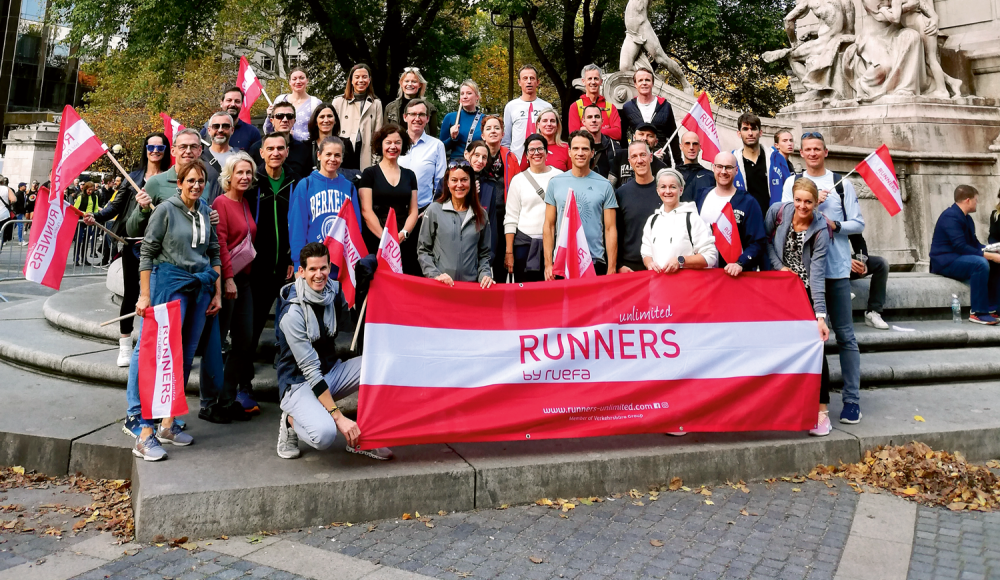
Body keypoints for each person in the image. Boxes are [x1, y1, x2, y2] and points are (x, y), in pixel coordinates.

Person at [132, 159, 221, 460]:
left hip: (199, 289)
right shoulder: (165, 209)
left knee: (183, 358)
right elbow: (147, 251)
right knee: (160, 359)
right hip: (170, 286)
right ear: (180, 182)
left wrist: (217, 292)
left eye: (201, 181)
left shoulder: (206, 211)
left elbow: (213, 252)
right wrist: (145, 295)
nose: (197, 185)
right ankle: (145, 432)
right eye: (191, 180)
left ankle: (167, 425)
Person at [274, 242, 392, 460]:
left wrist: (367, 283)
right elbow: (310, 371)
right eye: (312, 269)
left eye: (323, 268)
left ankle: (363, 437)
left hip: (330, 372)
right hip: (299, 383)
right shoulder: (292, 314)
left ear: (329, 267)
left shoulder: (334, 292)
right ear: (301, 272)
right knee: (325, 434)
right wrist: (339, 418)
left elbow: (352, 324)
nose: (319, 275)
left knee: (382, 364)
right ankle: (290, 420)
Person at [781, 131, 863, 424]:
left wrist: (834, 223)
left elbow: (858, 223)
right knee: (805, 338)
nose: (812, 153)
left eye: (817, 149)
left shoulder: (843, 185)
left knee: (845, 336)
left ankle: (852, 399)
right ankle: (809, 400)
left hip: (836, 269)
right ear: (801, 153)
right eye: (807, 149)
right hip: (801, 274)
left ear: (825, 152)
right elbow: (783, 219)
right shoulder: (792, 183)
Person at [84, 133, 170, 367]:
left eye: (160, 146)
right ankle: (124, 346)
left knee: (159, 295)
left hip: (164, 245)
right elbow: (116, 205)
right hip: (134, 243)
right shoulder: (133, 177)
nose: (155, 150)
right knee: (132, 292)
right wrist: (96, 216)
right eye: (151, 146)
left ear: (166, 149)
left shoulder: (173, 177)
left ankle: (154, 345)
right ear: (145, 149)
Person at [764, 178, 833, 436]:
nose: (803, 206)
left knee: (816, 347)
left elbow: (816, 273)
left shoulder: (821, 229)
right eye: (799, 200)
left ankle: (821, 410)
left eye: (809, 202)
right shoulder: (778, 212)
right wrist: (780, 269)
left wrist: (820, 315)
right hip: (779, 288)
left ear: (816, 203)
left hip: (804, 292)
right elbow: (765, 242)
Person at [245, 132, 300, 414]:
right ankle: (243, 386)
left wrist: (294, 256)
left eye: (281, 148)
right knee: (250, 329)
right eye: (270, 149)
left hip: (288, 267)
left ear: (287, 152)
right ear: (262, 153)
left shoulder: (295, 183)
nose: (276, 153)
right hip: (258, 266)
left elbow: (300, 222)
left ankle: (291, 389)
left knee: (289, 331)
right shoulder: (253, 183)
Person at [214, 153, 258, 420]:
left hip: (245, 280)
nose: (244, 177)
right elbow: (219, 245)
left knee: (244, 341)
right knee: (219, 343)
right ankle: (215, 402)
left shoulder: (244, 202)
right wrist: (227, 279)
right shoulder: (221, 203)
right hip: (228, 282)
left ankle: (228, 398)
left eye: (248, 173)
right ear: (229, 176)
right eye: (240, 172)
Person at [543, 130, 619, 278]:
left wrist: (612, 267)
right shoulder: (555, 183)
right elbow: (549, 226)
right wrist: (548, 264)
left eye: (585, 149)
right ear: (569, 152)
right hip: (562, 262)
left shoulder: (605, 185)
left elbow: (610, 229)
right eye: (576, 148)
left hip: (594, 261)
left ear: (592, 153)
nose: (580, 153)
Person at [128, 130, 223, 236]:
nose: (188, 151)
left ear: (200, 150)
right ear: (173, 151)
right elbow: (132, 231)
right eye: (183, 147)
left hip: (197, 251)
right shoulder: (155, 182)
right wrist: (143, 210)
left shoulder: (205, 184)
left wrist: (210, 217)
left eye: (193, 147)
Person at [289, 136, 361, 273]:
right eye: (328, 154)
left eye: (337, 155)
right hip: (313, 264)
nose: (332, 159)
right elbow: (297, 228)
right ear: (319, 155)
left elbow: (356, 228)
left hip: (342, 262)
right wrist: (299, 264)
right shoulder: (305, 185)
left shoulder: (349, 187)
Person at [931, 184, 1000, 325]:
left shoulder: (966, 218)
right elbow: (960, 246)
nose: (977, 203)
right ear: (967, 200)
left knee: (991, 261)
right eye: (976, 200)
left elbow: (974, 244)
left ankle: (993, 308)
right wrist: (990, 256)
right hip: (945, 262)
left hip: (958, 257)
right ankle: (978, 312)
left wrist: (992, 249)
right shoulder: (950, 216)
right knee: (980, 264)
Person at [417, 163, 494, 287]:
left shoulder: (481, 214)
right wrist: (435, 275)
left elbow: (484, 254)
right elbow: (423, 250)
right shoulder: (434, 210)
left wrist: (485, 274)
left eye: (464, 180)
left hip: (470, 288)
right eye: (454, 180)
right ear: (447, 183)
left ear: (471, 182)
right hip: (441, 286)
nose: (459, 185)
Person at [694, 151, 767, 276]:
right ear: (713, 168)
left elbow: (758, 242)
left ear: (736, 170)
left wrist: (740, 263)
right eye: (719, 166)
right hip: (704, 274)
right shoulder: (701, 195)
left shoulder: (748, 202)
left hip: (733, 275)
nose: (723, 172)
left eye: (728, 167)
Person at [358, 124, 419, 270]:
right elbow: (366, 211)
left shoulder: (410, 175)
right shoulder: (369, 174)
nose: (393, 146)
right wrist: (386, 239)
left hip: (404, 240)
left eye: (397, 142)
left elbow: (414, 211)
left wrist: (403, 234)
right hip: (376, 239)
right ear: (381, 144)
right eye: (388, 142)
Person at [505, 134, 562, 283]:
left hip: (555, 245)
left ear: (546, 152)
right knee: (526, 295)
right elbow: (511, 218)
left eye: (540, 149)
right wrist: (509, 251)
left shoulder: (559, 177)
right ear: (526, 155)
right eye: (531, 150)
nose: (536, 153)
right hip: (524, 246)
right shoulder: (518, 180)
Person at [641, 168, 717, 273]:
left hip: (686, 286)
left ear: (681, 190)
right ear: (658, 191)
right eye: (663, 187)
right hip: (658, 286)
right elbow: (646, 252)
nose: (667, 191)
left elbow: (710, 256)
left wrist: (681, 260)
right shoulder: (652, 220)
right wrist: (649, 263)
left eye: (673, 187)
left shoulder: (692, 219)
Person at [731, 113, 791, 224]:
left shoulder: (777, 158)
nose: (750, 133)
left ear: (760, 132)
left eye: (753, 129)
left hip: (775, 224)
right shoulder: (732, 161)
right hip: (746, 225)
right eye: (745, 129)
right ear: (739, 133)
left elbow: (790, 188)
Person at [616, 141, 662, 272]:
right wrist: (619, 265)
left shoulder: (665, 191)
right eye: (634, 156)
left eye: (643, 155)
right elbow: (615, 232)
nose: (639, 160)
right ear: (630, 161)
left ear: (651, 157)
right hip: (630, 268)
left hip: (660, 266)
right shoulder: (621, 193)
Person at [332, 64, 383, 174]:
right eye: (357, 77)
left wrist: (376, 160)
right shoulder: (338, 102)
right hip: (345, 152)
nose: (361, 80)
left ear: (369, 80)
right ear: (351, 80)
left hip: (366, 152)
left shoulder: (376, 104)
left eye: (364, 77)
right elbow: (333, 132)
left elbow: (378, 134)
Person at [398, 99, 447, 215]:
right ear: (405, 117)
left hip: (424, 210)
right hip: (396, 209)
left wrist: (432, 209)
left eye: (421, 114)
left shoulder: (437, 146)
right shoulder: (395, 143)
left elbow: (441, 183)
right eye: (413, 114)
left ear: (427, 119)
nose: (417, 118)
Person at [247, 101, 312, 178]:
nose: (285, 120)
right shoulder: (257, 148)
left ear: (294, 121)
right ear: (272, 121)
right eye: (279, 116)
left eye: (289, 116)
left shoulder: (303, 149)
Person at [501, 65, 552, 162]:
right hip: (517, 159)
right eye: (525, 78)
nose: (529, 81)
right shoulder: (510, 106)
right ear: (519, 82)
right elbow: (506, 138)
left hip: (542, 159)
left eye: (532, 78)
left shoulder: (547, 107)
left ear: (537, 82)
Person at [264, 68, 323, 143]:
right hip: (281, 147)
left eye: (301, 78)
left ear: (307, 80)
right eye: (294, 79)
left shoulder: (315, 103)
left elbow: (320, 132)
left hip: (306, 149)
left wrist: (295, 135)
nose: (298, 82)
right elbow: (268, 130)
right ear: (289, 82)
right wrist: (269, 116)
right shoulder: (280, 100)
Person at [465, 140, 500, 264]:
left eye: (484, 157)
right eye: (476, 155)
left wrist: (491, 254)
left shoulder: (490, 184)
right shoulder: (450, 180)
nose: (480, 161)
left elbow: (492, 222)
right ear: (466, 155)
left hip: (480, 250)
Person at [566, 65, 622, 142]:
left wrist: (589, 131)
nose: (593, 82)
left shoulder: (610, 107)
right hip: (585, 151)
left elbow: (618, 134)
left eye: (596, 78)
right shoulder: (575, 106)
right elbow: (574, 136)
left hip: (607, 151)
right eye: (589, 79)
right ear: (583, 81)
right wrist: (607, 131)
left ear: (601, 81)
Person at [850, 233, 890, 329]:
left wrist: (864, 264)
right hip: (827, 261)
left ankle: (873, 311)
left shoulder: (847, 219)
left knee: (881, 264)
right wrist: (844, 260)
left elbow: (857, 239)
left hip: (847, 262)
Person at [609, 123, 666, 189]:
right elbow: (610, 185)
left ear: (656, 142)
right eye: (641, 134)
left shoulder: (661, 167)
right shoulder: (620, 156)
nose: (645, 138)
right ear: (634, 137)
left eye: (650, 136)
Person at [384, 67, 439, 136]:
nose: (410, 84)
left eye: (414, 81)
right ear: (401, 83)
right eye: (406, 81)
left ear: (420, 85)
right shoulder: (390, 108)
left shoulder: (430, 108)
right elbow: (385, 134)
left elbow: (432, 136)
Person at [440, 80, 484, 161]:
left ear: (477, 97)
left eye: (469, 93)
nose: (465, 96)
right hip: (456, 166)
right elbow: (441, 149)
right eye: (462, 94)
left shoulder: (484, 119)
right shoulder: (450, 117)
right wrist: (452, 138)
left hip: (478, 164)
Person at [517, 108, 569, 172]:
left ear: (557, 125)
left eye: (552, 121)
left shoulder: (566, 148)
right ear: (538, 125)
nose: (549, 124)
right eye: (545, 121)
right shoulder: (531, 146)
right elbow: (522, 174)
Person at [583, 104, 621, 178]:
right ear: (584, 122)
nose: (593, 120)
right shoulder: (578, 148)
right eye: (589, 117)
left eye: (597, 117)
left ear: (602, 121)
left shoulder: (614, 148)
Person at [677, 131, 714, 202]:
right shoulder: (674, 175)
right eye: (687, 143)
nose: (691, 147)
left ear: (700, 147)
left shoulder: (710, 176)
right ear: (681, 146)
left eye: (695, 144)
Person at [305, 103, 341, 175]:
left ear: (335, 121)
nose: (326, 120)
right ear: (315, 122)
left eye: (329, 116)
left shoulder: (345, 144)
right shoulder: (306, 146)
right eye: (322, 117)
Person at [73, 182, 101, 266]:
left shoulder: (95, 197)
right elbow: (75, 209)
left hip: (89, 221)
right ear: (86, 189)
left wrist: (95, 215)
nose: (90, 192)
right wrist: (85, 214)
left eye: (92, 190)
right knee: (78, 240)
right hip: (81, 221)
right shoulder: (80, 197)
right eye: (89, 190)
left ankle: (84, 258)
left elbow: (95, 208)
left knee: (86, 241)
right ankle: (76, 259)